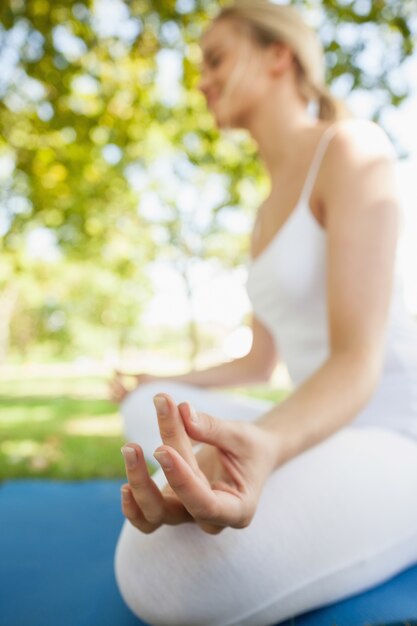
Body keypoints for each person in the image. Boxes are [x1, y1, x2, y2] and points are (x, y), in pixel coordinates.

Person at [112, 1, 417, 624]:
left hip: (392, 431)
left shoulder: (353, 149)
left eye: (216, 59)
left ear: (280, 55)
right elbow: (258, 362)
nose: (201, 80)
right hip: (319, 419)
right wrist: (158, 381)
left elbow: (356, 361)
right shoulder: (262, 216)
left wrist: (267, 444)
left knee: (162, 572)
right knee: (146, 408)